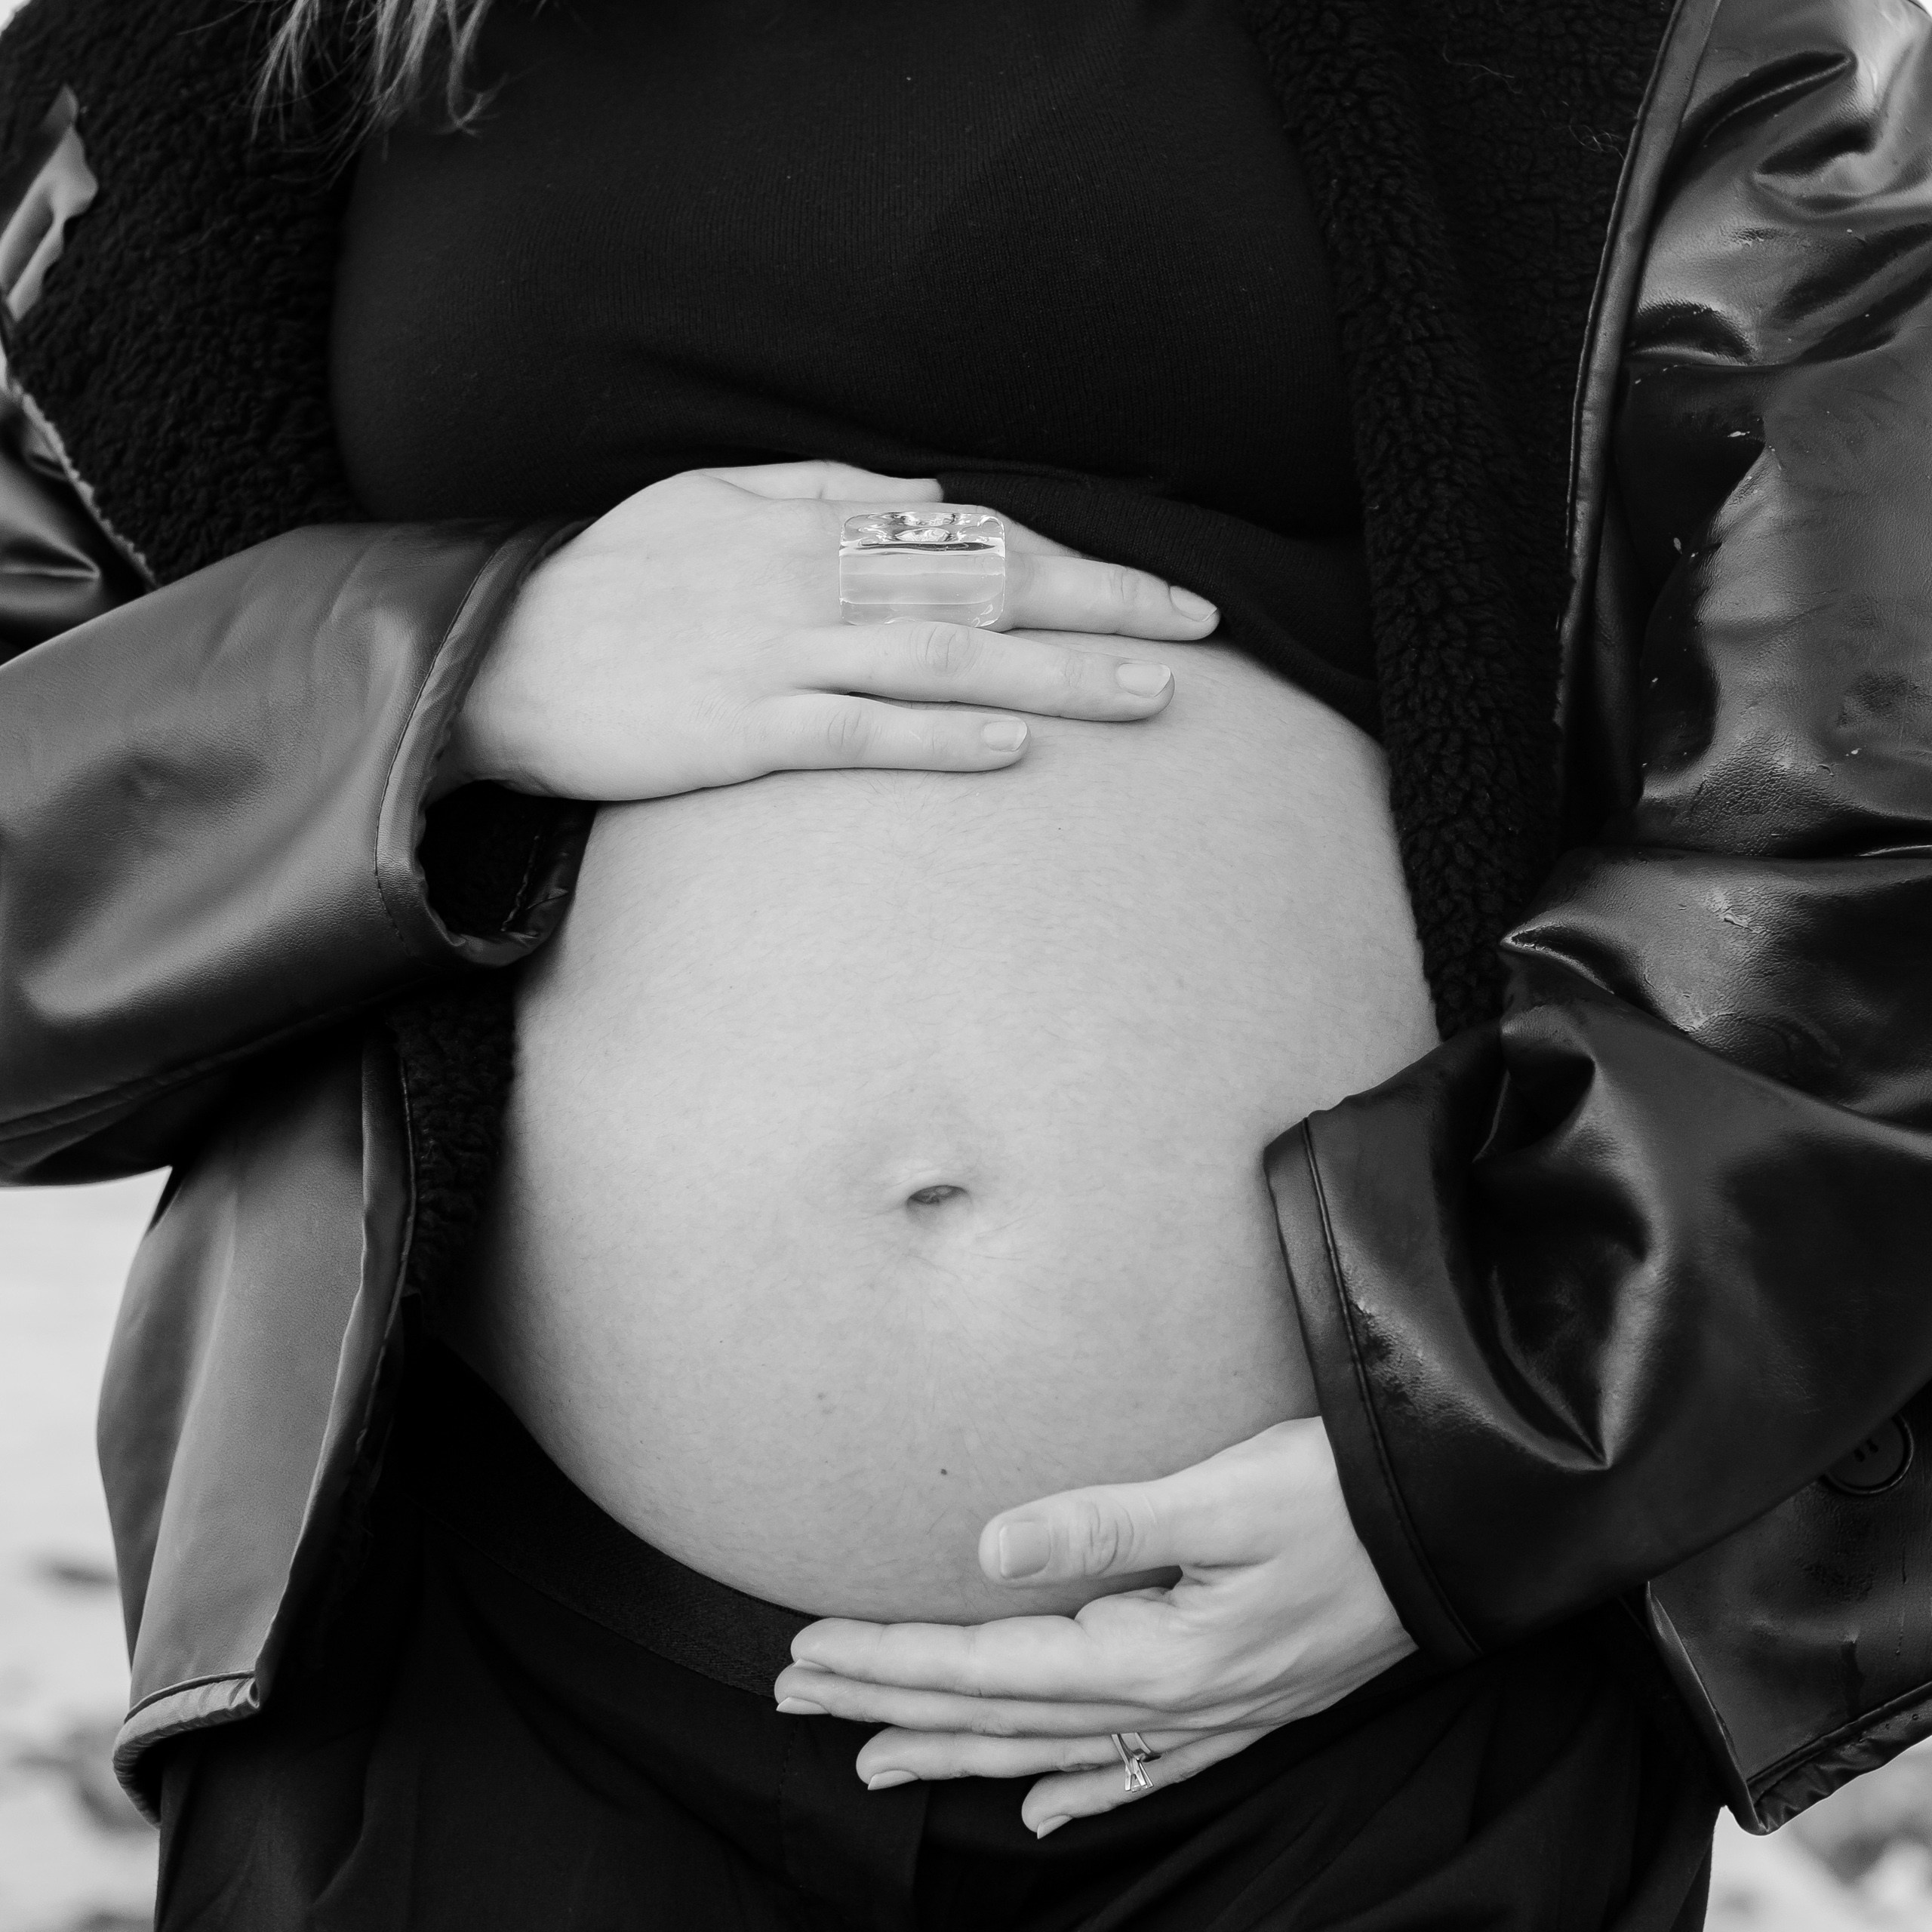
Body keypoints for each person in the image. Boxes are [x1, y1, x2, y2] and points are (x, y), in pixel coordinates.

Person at [1, 0, 1930, 1923]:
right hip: (493, 1658)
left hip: (1353, 1689)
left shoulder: (1609, 40)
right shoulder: (220, 57)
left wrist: (1492, 1470)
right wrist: (455, 668)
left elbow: (1857, 753)